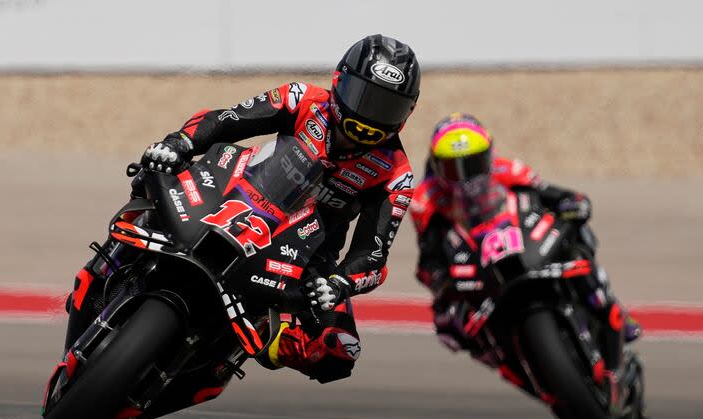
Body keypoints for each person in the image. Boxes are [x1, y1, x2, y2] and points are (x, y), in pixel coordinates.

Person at [69, 34, 420, 385]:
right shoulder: (301, 99)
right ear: (340, 82)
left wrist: (340, 283)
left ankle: (264, 337)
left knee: (340, 350)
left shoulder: (396, 174)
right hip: (243, 192)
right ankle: (111, 263)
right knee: (155, 173)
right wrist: (179, 143)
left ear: (407, 113)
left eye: (386, 107)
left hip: (309, 252)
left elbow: (372, 253)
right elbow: (227, 120)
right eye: (364, 97)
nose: (369, 117)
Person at [410, 113, 641, 366]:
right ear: (436, 166)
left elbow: (550, 193)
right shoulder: (425, 199)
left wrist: (571, 203)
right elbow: (429, 253)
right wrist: (440, 278)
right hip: (472, 255)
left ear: (489, 155)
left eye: (474, 163)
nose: (466, 177)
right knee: (447, 324)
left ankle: (603, 298)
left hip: (520, 235)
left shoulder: (506, 168)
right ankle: (498, 353)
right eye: (453, 169)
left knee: (576, 230)